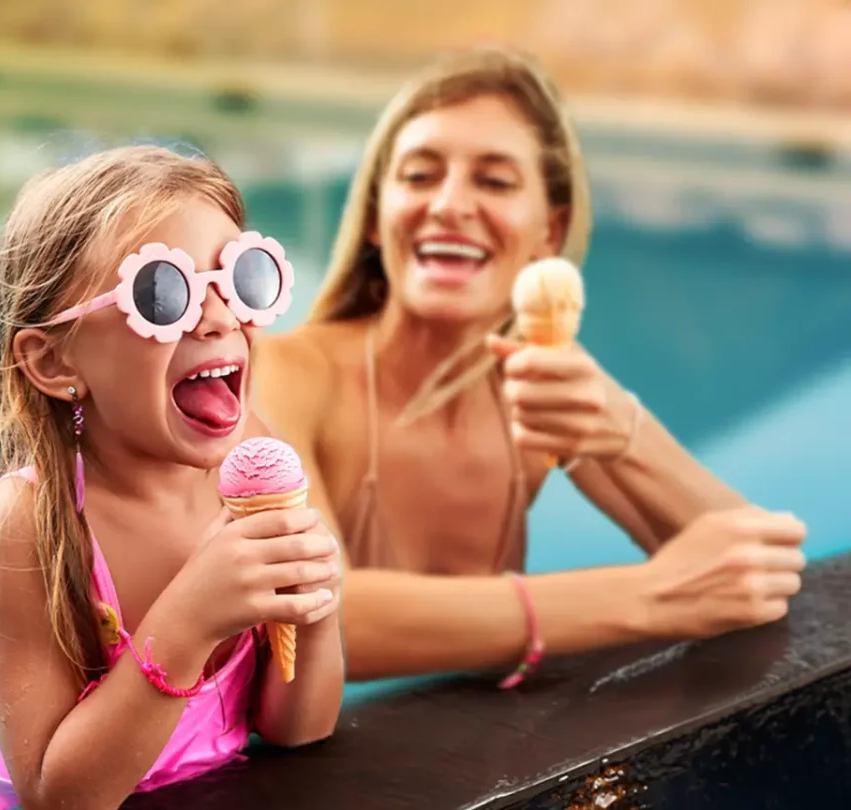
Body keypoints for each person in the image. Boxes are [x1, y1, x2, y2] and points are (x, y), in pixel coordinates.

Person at [254, 47, 808, 684]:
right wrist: (645, 597)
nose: (449, 205)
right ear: (378, 216)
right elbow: (313, 619)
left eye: (494, 181)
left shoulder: (534, 386)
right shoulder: (285, 373)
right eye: (419, 175)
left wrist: (624, 431)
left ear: (551, 229)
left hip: (486, 761)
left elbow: (760, 577)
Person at [0, 145, 345, 810]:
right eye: (164, 294)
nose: (220, 317)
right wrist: (190, 621)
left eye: (240, 278)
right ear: (51, 361)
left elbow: (298, 730)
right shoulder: (30, 525)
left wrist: (318, 608)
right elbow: (59, 796)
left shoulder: (249, 463)